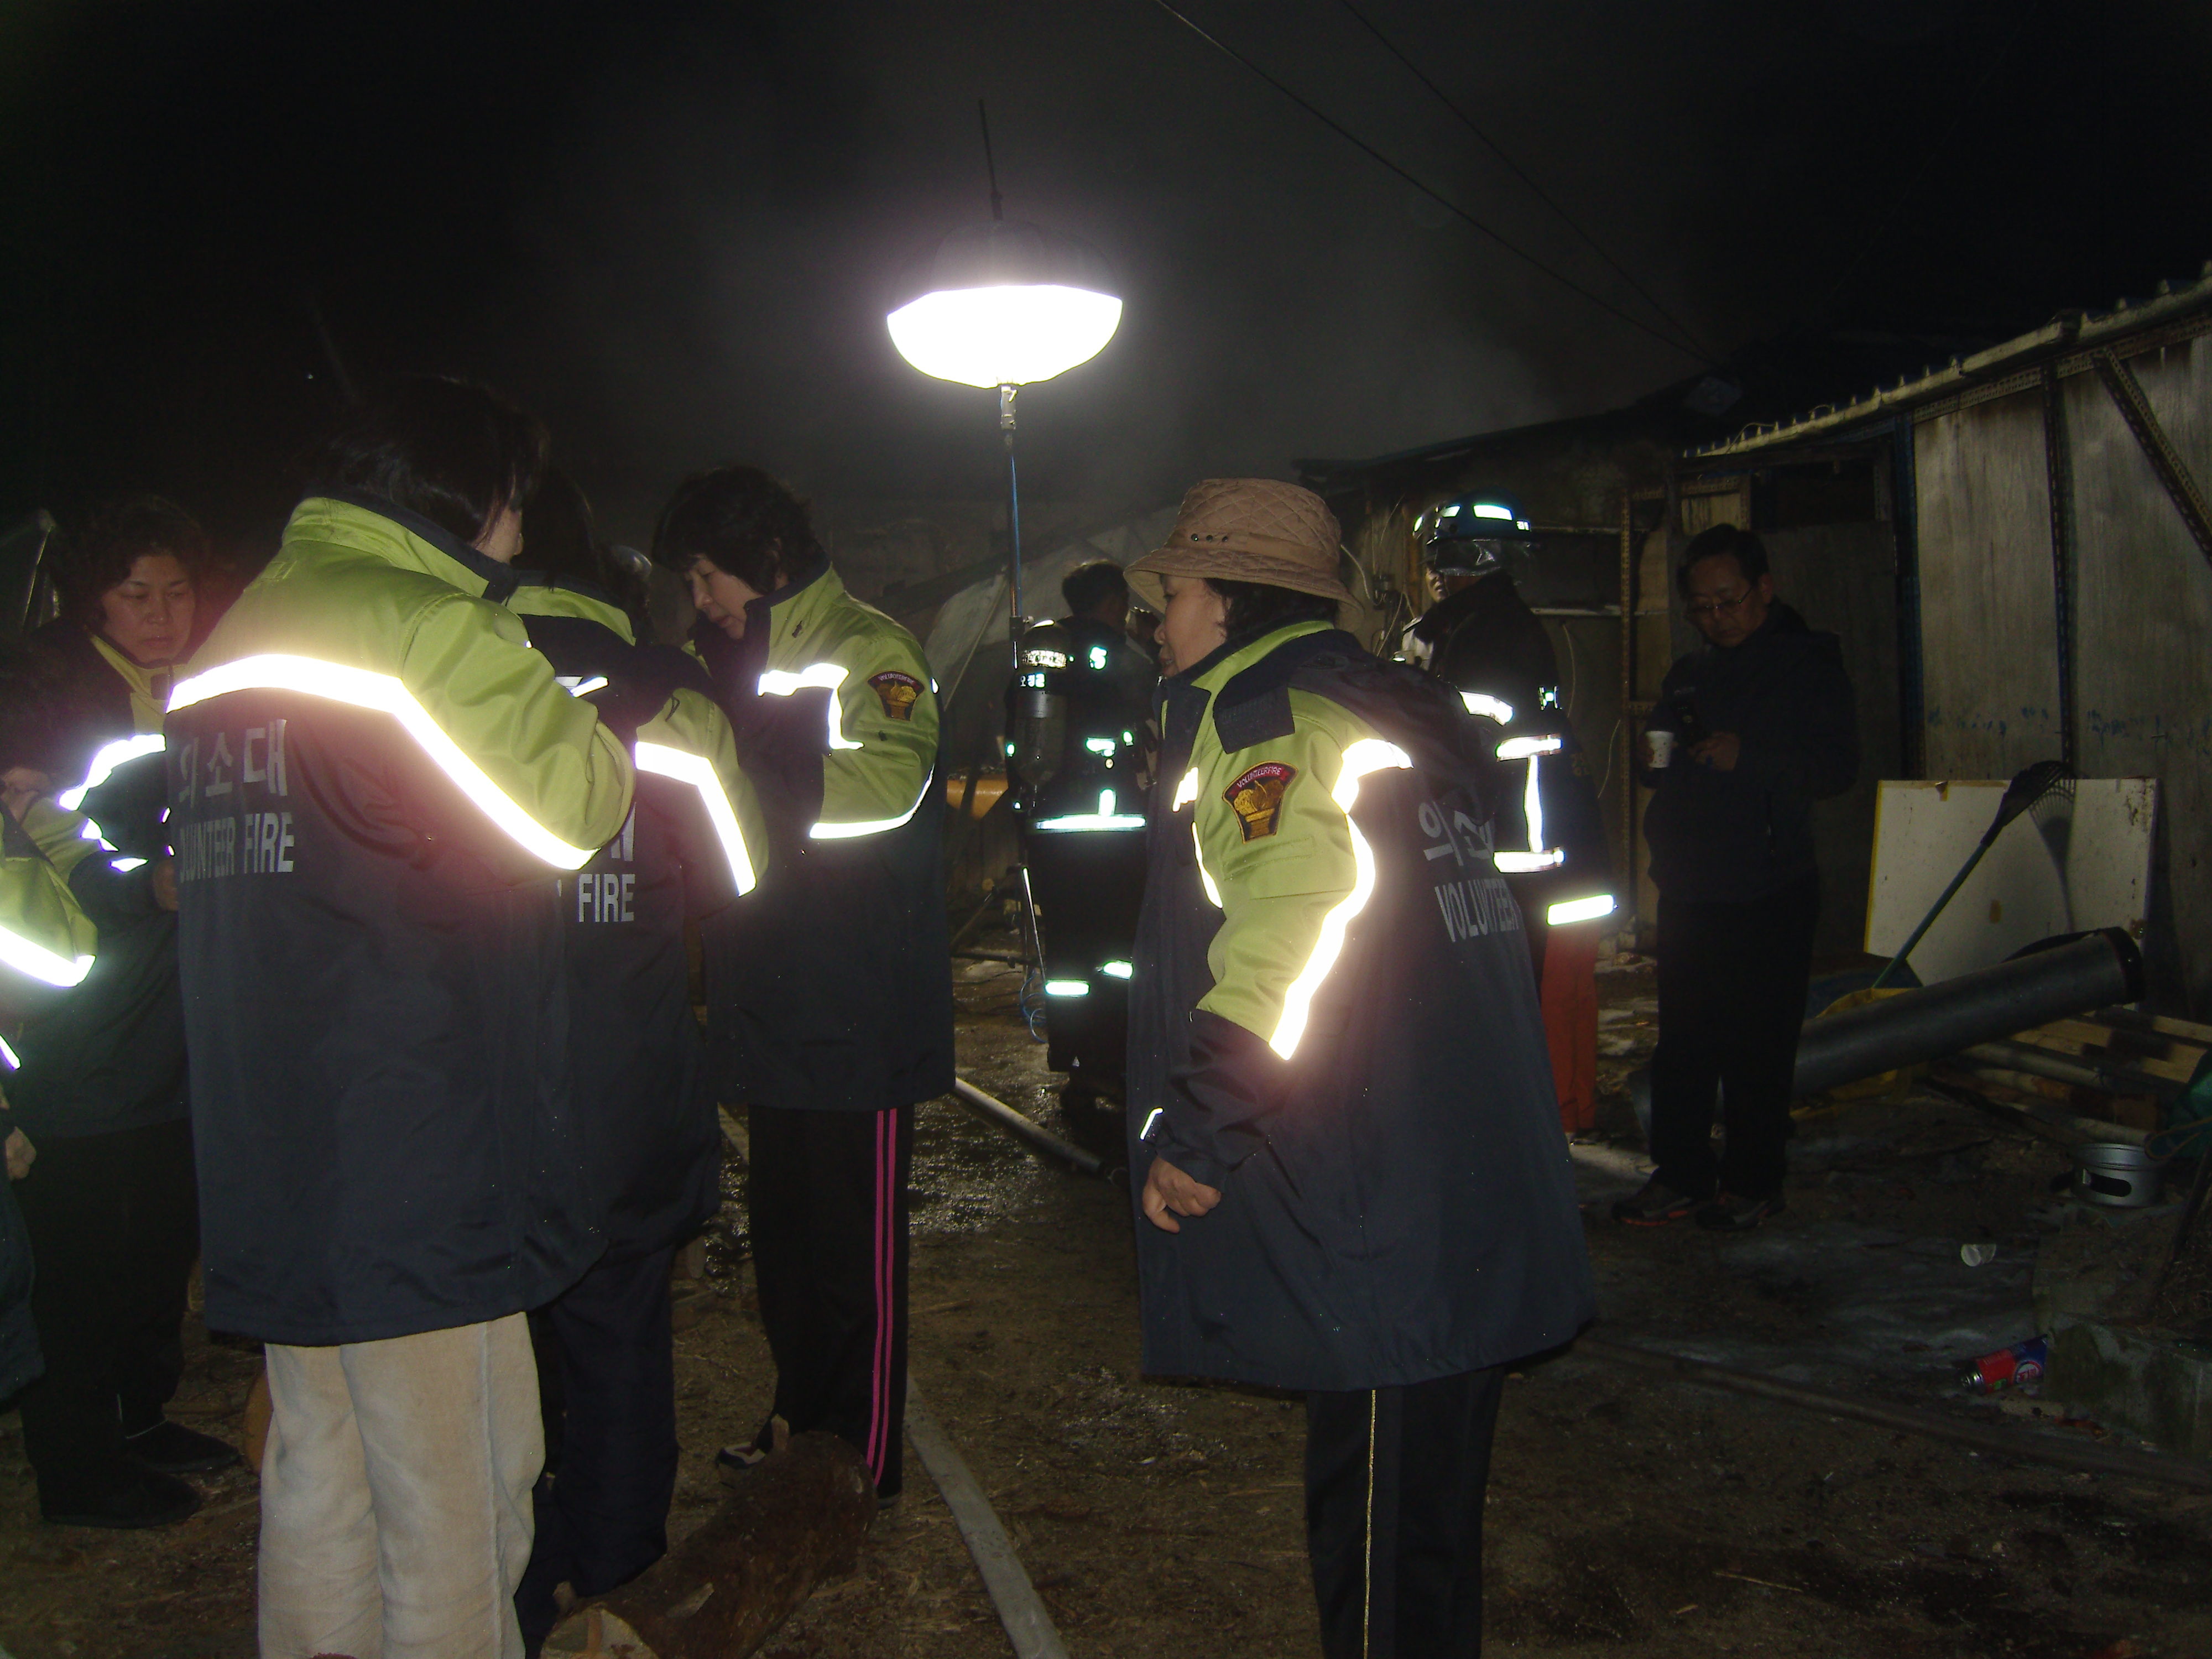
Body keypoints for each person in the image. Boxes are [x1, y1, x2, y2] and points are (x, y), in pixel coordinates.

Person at [166, 377, 645, 1657]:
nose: (518, 530)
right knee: (459, 1494)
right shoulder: (428, 627)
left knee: (318, 1473)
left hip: (276, 1136)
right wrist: (583, 713)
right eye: (513, 501)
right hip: (421, 1143)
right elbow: (574, 810)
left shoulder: (229, 641)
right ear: (464, 494)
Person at [1122, 478, 1595, 1659]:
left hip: (1380, 1203)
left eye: (1174, 593)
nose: (1159, 620)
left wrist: (1201, 1125)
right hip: (1454, 1171)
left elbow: (1292, 935)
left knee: (1380, 1540)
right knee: (1424, 1534)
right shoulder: (1385, 706)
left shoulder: (1269, 725)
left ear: (1230, 599)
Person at [502, 471, 766, 1648]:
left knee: (498, 1350)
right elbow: (735, 874)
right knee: (617, 1335)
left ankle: (515, 1581)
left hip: (484, 1085)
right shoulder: (670, 694)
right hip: (626, 1075)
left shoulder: (445, 676)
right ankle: (616, 1577)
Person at [652, 466, 951, 1503]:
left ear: (768, 558)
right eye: (691, 581)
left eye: (709, 575)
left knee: (853, 1251)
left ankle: (862, 1455)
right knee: (784, 1241)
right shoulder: (712, 661)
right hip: (766, 993)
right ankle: (797, 1422)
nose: (701, 599)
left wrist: (736, 786)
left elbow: (890, 784)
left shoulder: (872, 650)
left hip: (855, 1002)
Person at [3, 500, 234, 1529]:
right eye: (136, 593)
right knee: (81, 1254)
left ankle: (140, 1416)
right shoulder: (49, 693)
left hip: (170, 1021)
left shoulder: (196, 686)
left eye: (177, 591)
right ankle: (77, 1465)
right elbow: (38, 830)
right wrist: (144, 886)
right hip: (83, 1025)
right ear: (93, 599)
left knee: (159, 1237)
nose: (161, 612)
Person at [1613, 522, 1858, 1232]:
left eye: (1729, 601)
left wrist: (1748, 757)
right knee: (1685, 1040)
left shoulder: (1805, 666)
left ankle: (1753, 1182)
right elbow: (1663, 760)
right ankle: (1680, 1174)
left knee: (1758, 1043)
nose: (1717, 617)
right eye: (1703, 606)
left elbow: (1836, 767)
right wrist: (1649, 761)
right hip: (1691, 886)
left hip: (1768, 886)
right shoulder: (1691, 672)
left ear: (1764, 589)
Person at [1406, 492, 1614, 1134]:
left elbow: (1452, 742)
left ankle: (1540, 1127)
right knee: (1551, 991)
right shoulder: (1489, 626)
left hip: (1524, 855)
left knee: (1532, 994)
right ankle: (1554, 1117)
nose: (1435, 574)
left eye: (1444, 559)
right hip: (1548, 848)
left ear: (1475, 559)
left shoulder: (1478, 635)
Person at [1006, 559, 1156, 1090]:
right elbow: (1156, 708)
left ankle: (1071, 1060)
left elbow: (1019, 740)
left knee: (1067, 953)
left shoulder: (1041, 656)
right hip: (1115, 835)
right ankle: (1114, 1058)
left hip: (1053, 834)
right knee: (1118, 953)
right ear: (1114, 603)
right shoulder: (1122, 657)